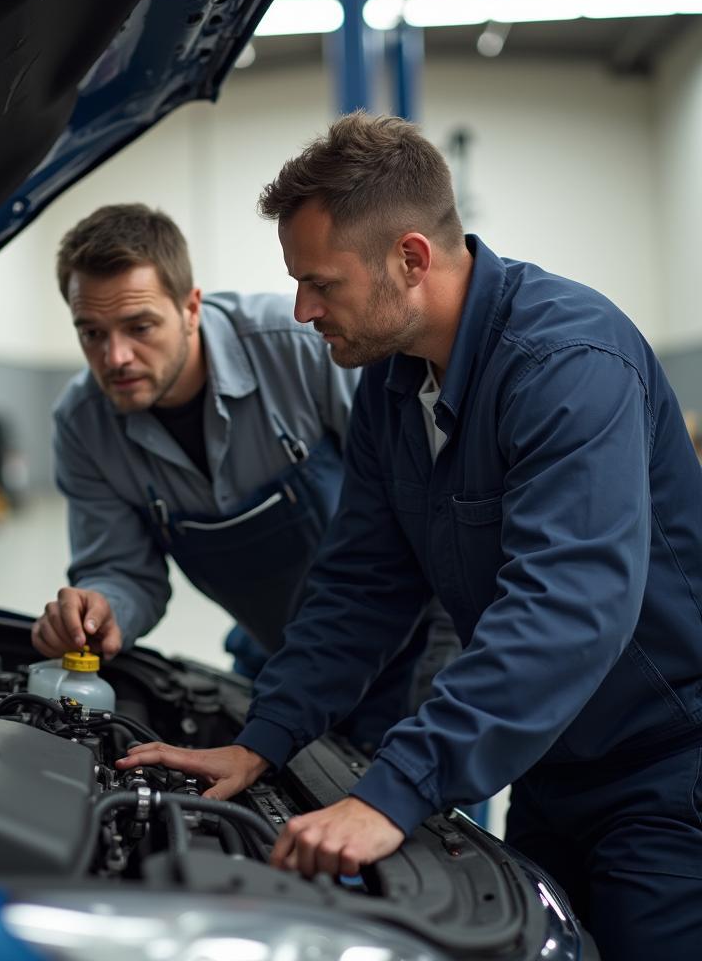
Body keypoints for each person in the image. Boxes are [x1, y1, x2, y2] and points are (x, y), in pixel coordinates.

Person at [117, 114, 702, 960]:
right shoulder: (393, 389)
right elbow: (360, 587)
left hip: (665, 769)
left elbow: (568, 609)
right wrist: (262, 740)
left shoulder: (569, 364)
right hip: (550, 762)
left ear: (412, 259)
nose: (303, 309)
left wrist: (398, 790)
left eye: (321, 283)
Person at [36, 203, 451, 750]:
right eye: (91, 332)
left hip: (407, 655)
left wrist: (444, 679)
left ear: (190, 308)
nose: (115, 357)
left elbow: (431, 504)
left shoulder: (305, 351)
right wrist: (102, 607)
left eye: (140, 327)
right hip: (281, 662)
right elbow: (123, 569)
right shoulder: (83, 425)